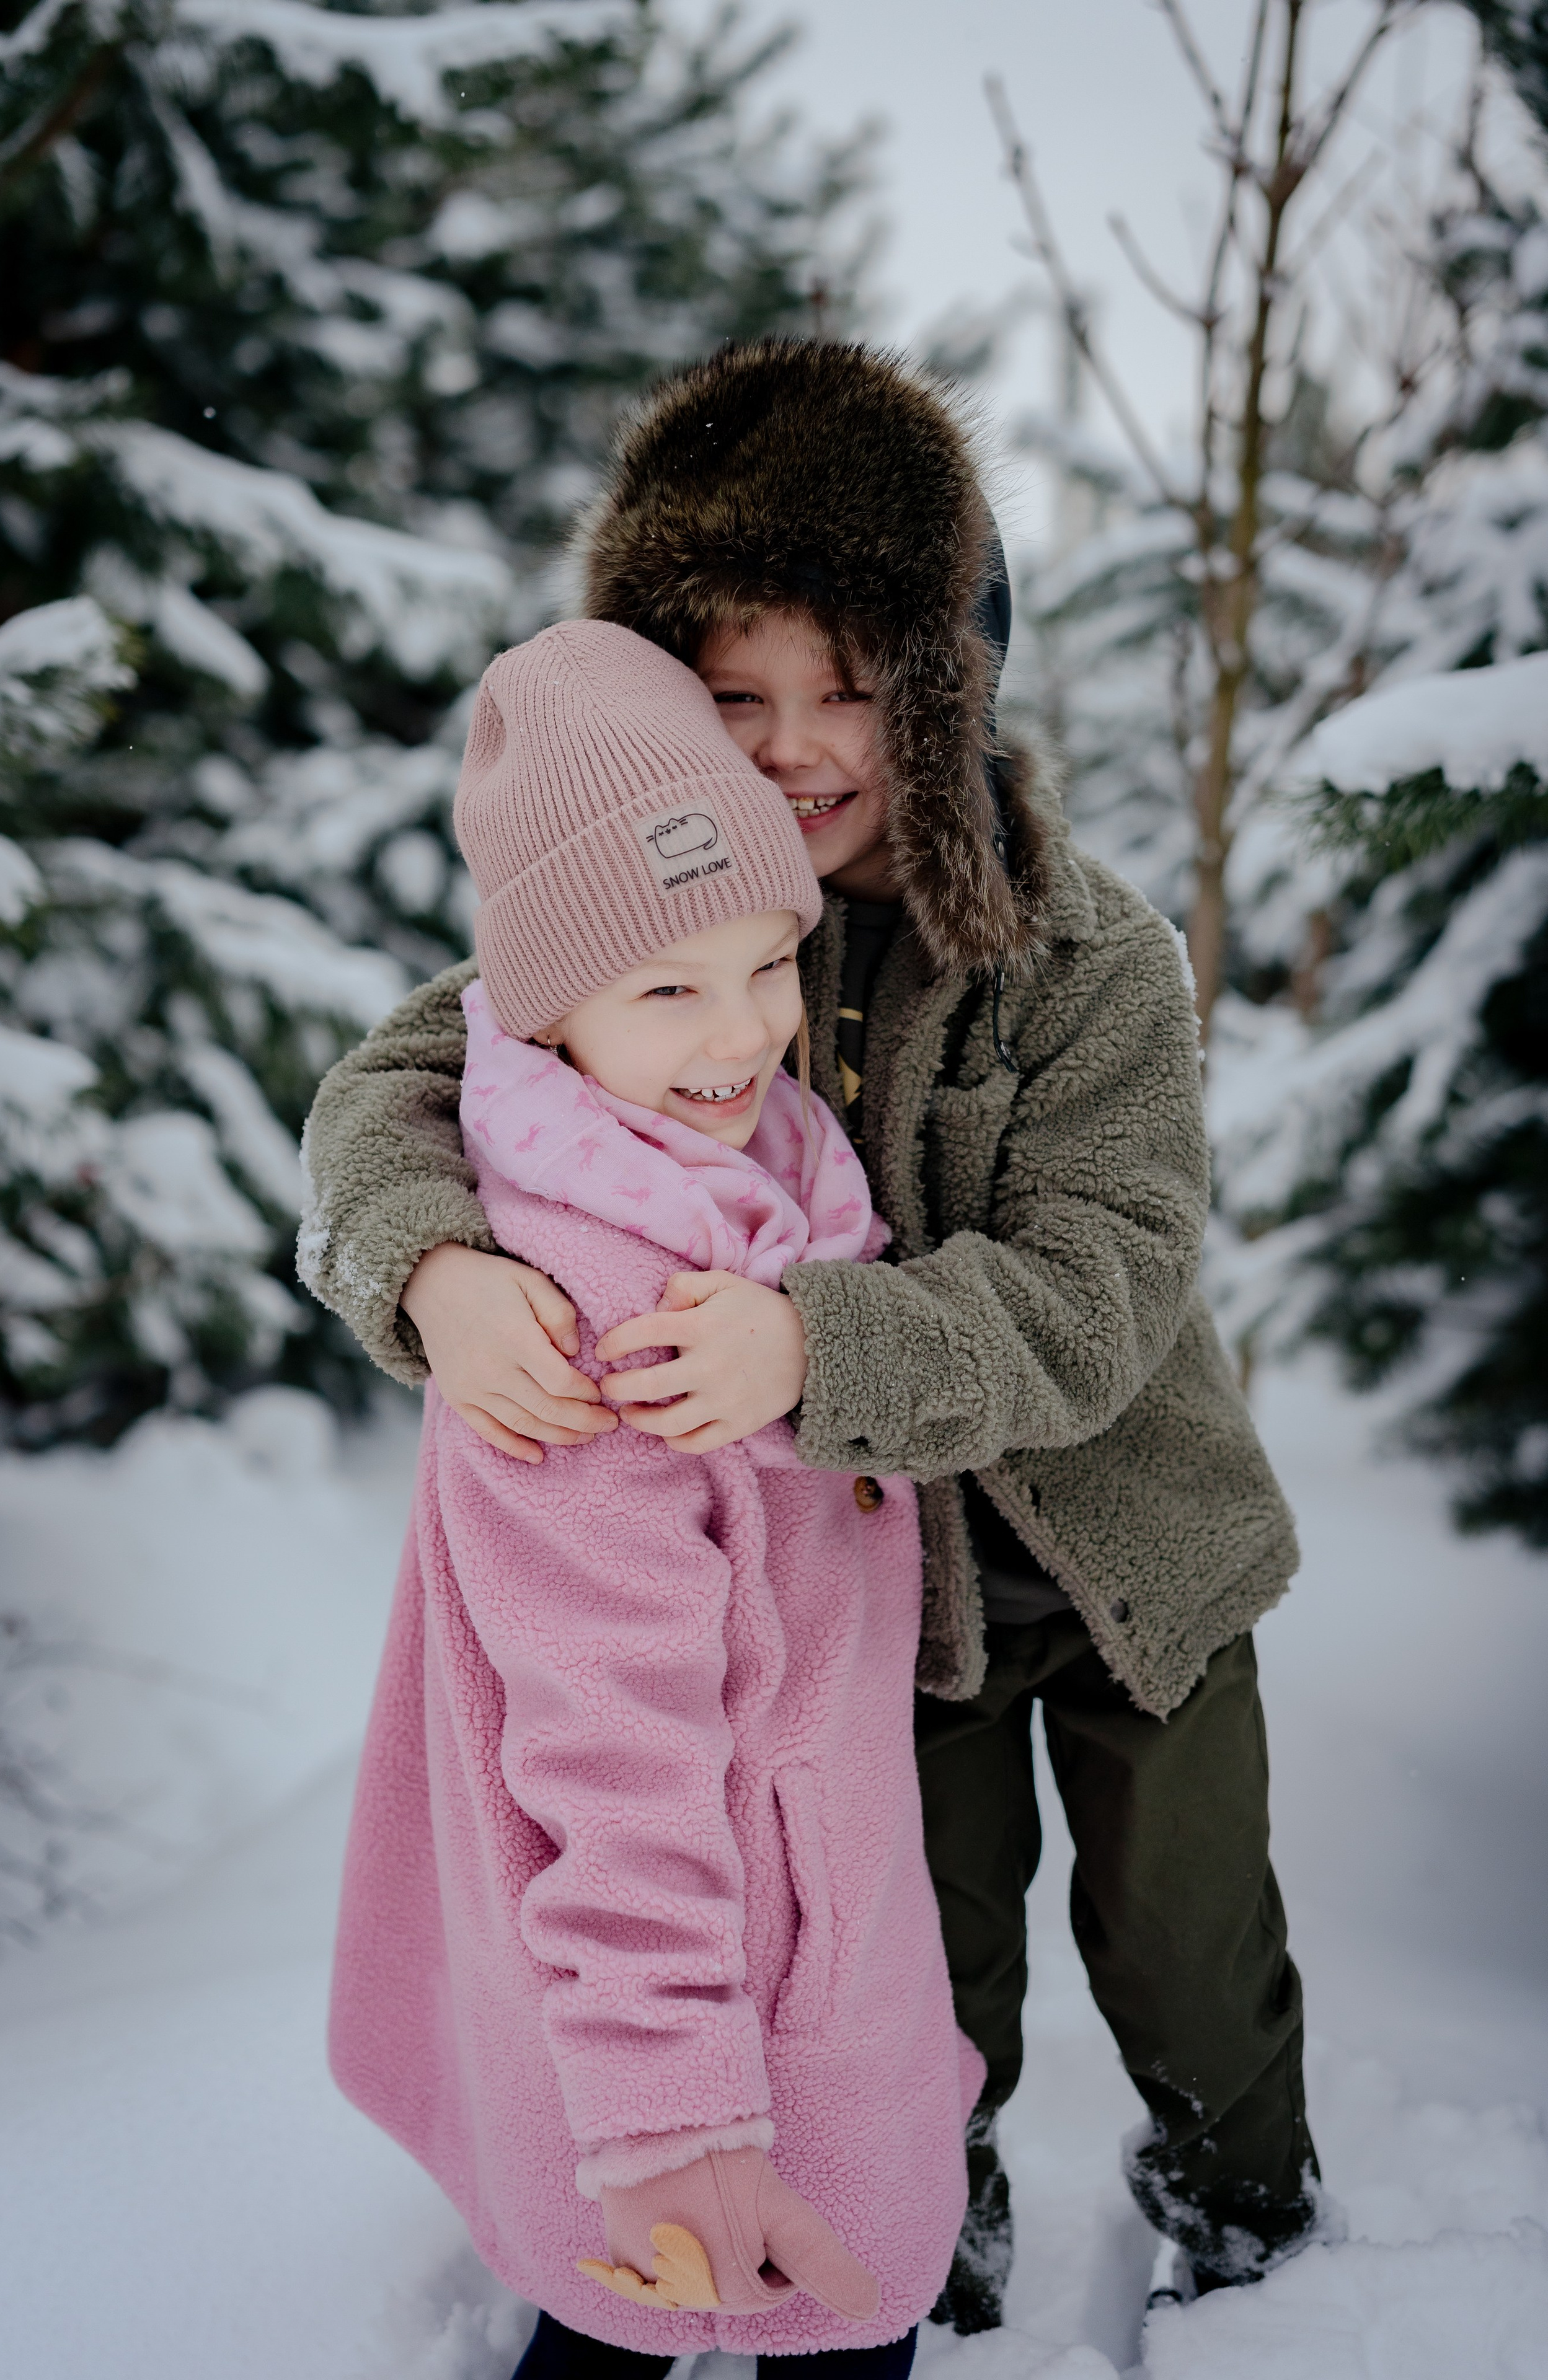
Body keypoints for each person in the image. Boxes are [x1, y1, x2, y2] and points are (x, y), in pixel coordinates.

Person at [304, 341, 1324, 2334]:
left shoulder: (1081, 949)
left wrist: (813, 1347)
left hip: (1130, 1562)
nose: (794, 747)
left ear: (945, 689)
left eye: (852, 689)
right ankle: (930, 2219)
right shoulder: (630, 917)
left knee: (1193, 1944)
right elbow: (383, 1097)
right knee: (913, 1970)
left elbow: (1106, 1283)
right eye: (735, 695)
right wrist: (428, 1262)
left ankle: (1243, 2203)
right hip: (883, 1602)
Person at [329, 618, 976, 2378]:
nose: (743, 1035)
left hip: (805, 1882)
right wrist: (672, 2103)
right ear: (546, 1015)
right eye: (667, 989)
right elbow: (608, 1752)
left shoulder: (749, 1179)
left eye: (768, 964)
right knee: (730, 2284)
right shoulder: (599, 1319)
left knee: (790, 2281)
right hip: (704, 1953)